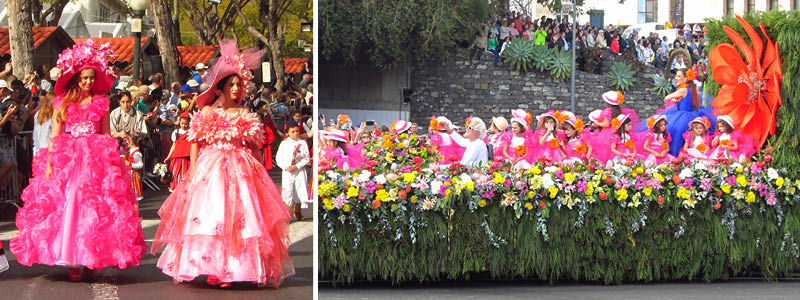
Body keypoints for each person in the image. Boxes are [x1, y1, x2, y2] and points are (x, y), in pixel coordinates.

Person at [151, 40, 294, 288]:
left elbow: (254, 147)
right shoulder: (207, 113)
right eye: (232, 84)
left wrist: (262, 176)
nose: (237, 88)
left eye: (240, 84)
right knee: (211, 216)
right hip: (211, 170)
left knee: (242, 218)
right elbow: (195, 141)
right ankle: (211, 266)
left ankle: (234, 268)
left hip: (241, 169)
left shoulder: (246, 115)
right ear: (220, 88)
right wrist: (194, 169)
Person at [10, 40, 146, 282]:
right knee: (69, 205)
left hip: (95, 159)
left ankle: (90, 257)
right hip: (69, 159)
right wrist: (50, 164)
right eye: (84, 78)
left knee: (94, 208)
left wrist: (113, 163)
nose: (88, 82)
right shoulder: (62, 104)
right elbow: (54, 137)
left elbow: (105, 134)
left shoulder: (101, 104)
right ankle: (73, 260)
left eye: (92, 78)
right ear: (76, 78)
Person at [641, 69, 715, 156]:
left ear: (686, 79)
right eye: (676, 76)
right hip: (691, 114)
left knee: (676, 134)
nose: (676, 78)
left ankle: (675, 154)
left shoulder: (683, 90)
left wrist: (674, 99)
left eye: (679, 76)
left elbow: (667, 98)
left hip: (683, 116)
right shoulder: (691, 89)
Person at [277, 125, 311, 221]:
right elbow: (279, 158)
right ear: (287, 133)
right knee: (287, 191)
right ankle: (286, 214)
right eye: (293, 131)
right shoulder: (284, 144)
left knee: (299, 190)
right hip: (288, 171)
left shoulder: (302, 143)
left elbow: (306, 158)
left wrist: (297, 165)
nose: (296, 133)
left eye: (297, 131)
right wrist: (285, 167)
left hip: (299, 170)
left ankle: (297, 211)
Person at [164, 112, 191, 192]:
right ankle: (177, 189)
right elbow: (173, 146)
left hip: (187, 158)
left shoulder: (191, 132)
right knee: (177, 174)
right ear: (179, 122)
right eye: (182, 123)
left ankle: (185, 189)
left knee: (186, 174)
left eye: (186, 124)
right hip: (177, 158)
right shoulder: (176, 132)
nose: (184, 125)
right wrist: (168, 157)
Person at [124, 134, 144, 202]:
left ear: (131, 142)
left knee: (134, 195)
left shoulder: (136, 153)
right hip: (130, 175)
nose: (125, 143)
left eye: (127, 141)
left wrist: (130, 164)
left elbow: (141, 165)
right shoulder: (130, 151)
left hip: (134, 176)